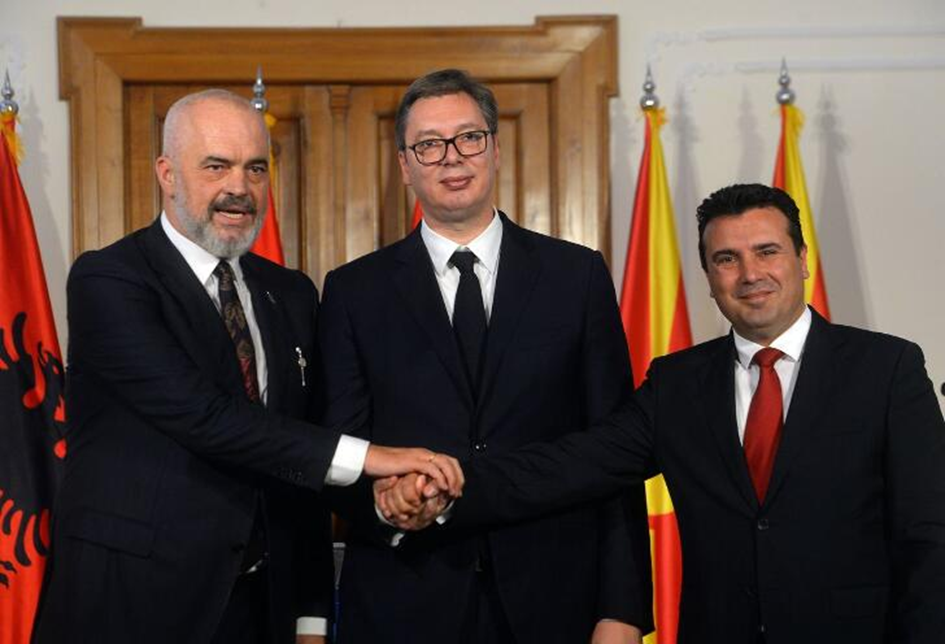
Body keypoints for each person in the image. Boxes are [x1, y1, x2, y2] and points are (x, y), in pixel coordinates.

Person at [380, 183, 945, 644]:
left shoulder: (887, 369)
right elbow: (571, 465)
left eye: (767, 251)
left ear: (802, 260)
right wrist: (447, 486)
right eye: (727, 259)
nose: (750, 273)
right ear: (710, 280)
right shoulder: (678, 384)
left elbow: (929, 535)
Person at [33, 89, 462, 644]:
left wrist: (311, 614)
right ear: (167, 173)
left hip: (262, 611)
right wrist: (376, 458)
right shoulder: (111, 280)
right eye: (216, 166)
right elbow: (205, 416)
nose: (239, 187)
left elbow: (298, 456)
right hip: (130, 606)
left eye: (255, 168)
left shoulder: (292, 293)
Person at [317, 69, 653, 643]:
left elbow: (614, 450)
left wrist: (622, 610)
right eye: (429, 144)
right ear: (405, 165)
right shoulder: (353, 291)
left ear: (495, 149)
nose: (452, 156)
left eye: (469, 137)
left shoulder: (576, 277)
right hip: (405, 601)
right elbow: (339, 448)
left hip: (555, 601)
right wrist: (385, 505)